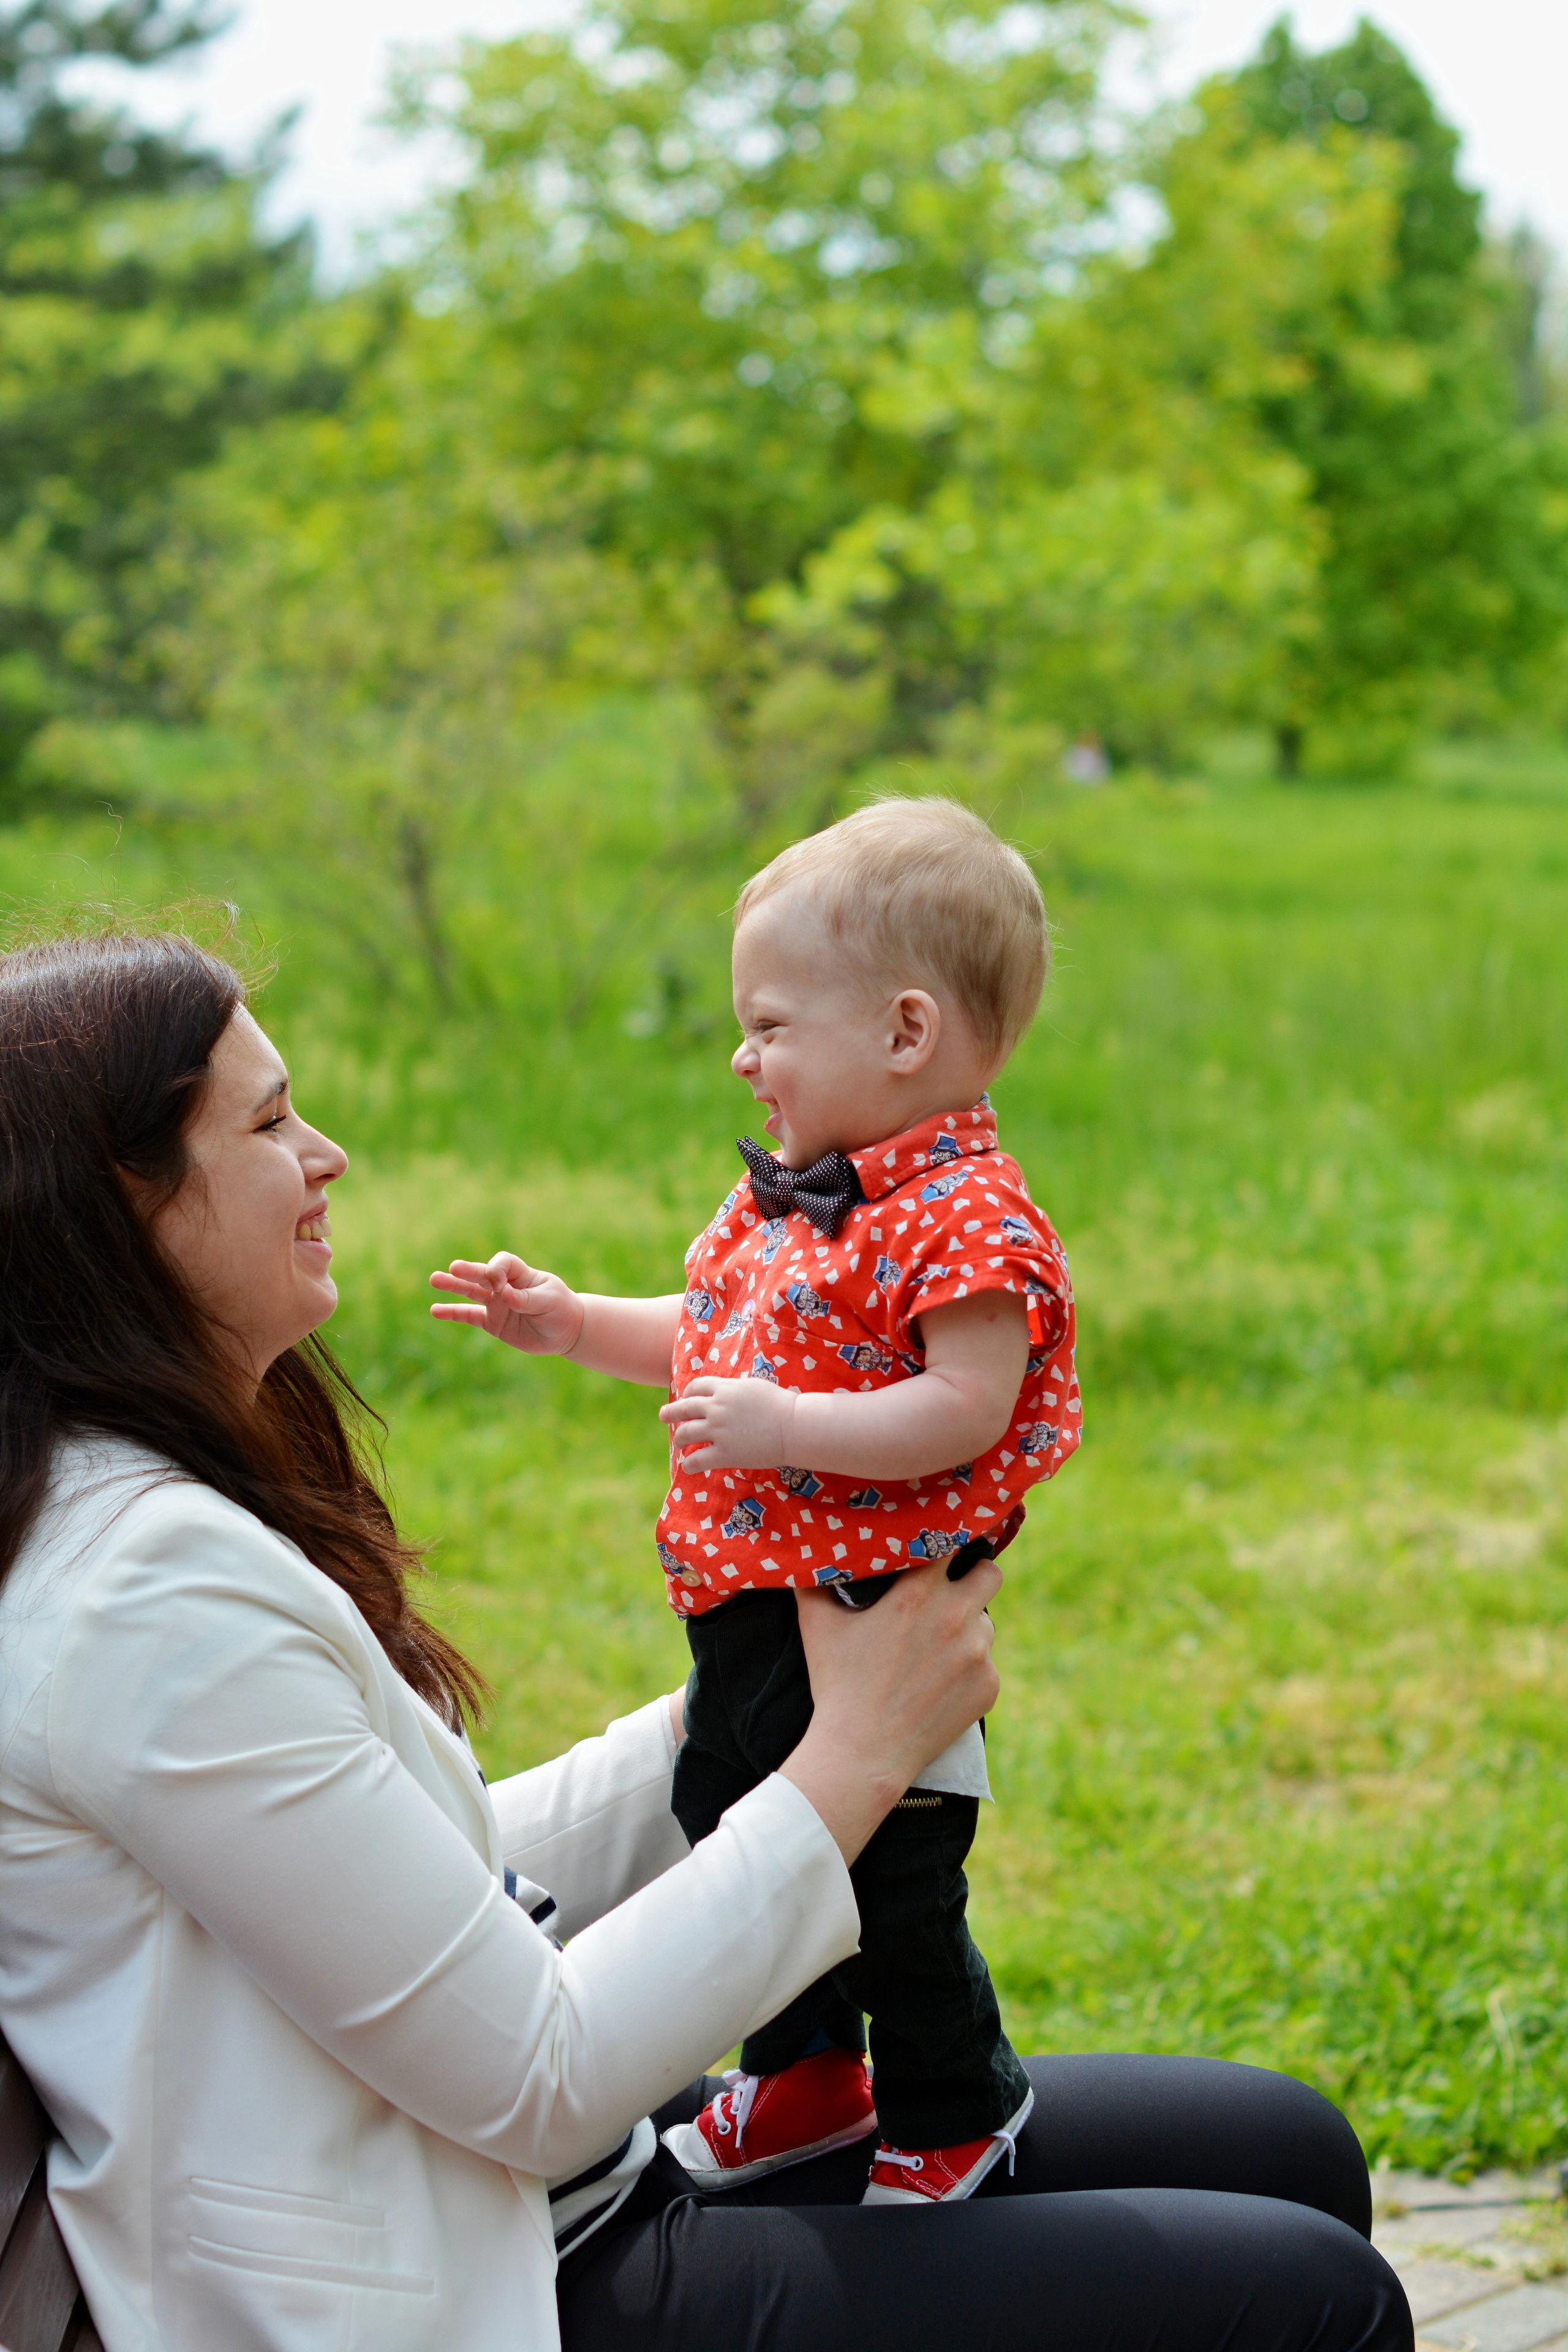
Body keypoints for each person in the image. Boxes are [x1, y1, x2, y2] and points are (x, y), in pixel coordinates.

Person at [0, 927, 1412, 2352]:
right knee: (1310, 2300)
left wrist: (736, 1724)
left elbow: (403, 1887)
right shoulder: (142, 1600)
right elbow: (535, 2071)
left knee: (1289, 2147)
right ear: (118, 1205)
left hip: (496, 2168)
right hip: (479, 2274)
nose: (329, 1153)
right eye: (268, 1120)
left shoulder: (132, 1509)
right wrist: (850, 1759)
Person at [432, 798, 1079, 2207]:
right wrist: (574, 1323)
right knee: (734, 1819)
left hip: (870, 1618)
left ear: (905, 1033)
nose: (742, 1055)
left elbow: (964, 1405)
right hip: (745, 1610)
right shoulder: (797, 1209)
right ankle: (802, 2076)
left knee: (892, 1890)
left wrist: (785, 1424)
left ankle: (954, 2105)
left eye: (771, 1025)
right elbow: (712, 1329)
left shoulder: (964, 1214)